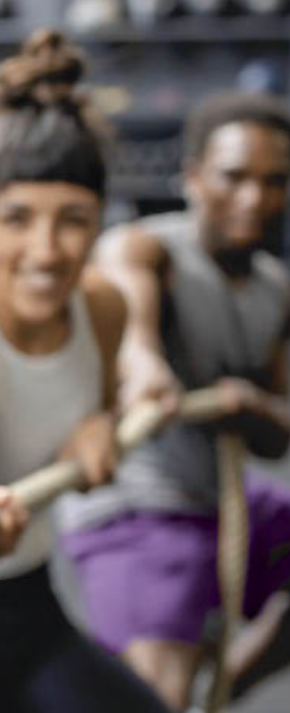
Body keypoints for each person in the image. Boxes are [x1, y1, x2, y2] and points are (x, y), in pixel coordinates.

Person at [0, 30, 171, 713]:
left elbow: (100, 414)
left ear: (99, 225)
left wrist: (104, 424)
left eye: (72, 220)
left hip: (31, 604)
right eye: (18, 218)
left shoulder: (101, 306)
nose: (46, 249)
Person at [58, 91, 290, 710]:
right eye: (234, 177)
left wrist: (254, 408)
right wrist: (144, 366)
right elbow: (131, 324)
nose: (254, 199)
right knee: (157, 691)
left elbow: (276, 438)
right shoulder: (146, 248)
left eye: (274, 182)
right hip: (141, 509)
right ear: (192, 177)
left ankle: (227, 685)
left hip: (226, 501)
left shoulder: (274, 288)